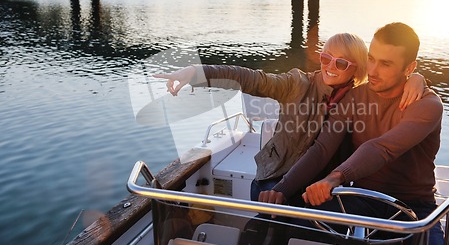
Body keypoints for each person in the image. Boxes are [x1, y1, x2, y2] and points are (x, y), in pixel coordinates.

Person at [259, 23, 446, 245]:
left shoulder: (428, 105)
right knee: (287, 226)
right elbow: (322, 149)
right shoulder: (355, 98)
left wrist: (335, 177)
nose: (374, 70)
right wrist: (281, 189)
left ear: (409, 68)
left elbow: (382, 148)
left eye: (386, 64)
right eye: (371, 59)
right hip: (358, 200)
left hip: (414, 209)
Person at [154, 33, 426, 201]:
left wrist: (416, 78)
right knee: (273, 225)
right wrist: (196, 72)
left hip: (320, 184)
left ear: (357, 70)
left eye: (341, 63)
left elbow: (392, 76)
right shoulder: (298, 83)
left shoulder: (359, 97)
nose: (330, 66)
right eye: (325, 58)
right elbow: (249, 78)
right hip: (275, 176)